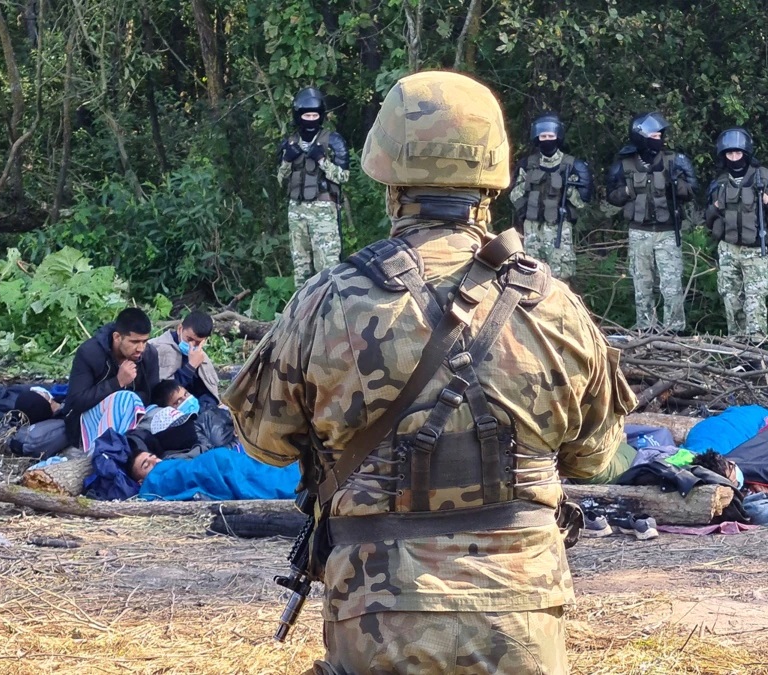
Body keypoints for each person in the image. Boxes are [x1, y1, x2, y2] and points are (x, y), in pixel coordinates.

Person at [225, 70, 635, 674]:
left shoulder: (329, 300)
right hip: (520, 614)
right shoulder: (553, 304)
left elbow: (264, 442)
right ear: (492, 183)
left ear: (390, 184)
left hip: (376, 613)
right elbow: (596, 460)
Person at [606, 112, 698, 332]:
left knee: (672, 286)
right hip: (639, 232)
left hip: (668, 233)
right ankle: (645, 331)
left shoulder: (675, 161)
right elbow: (612, 197)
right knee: (642, 285)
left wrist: (676, 184)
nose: (659, 139)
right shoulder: (625, 164)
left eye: (660, 135)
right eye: (654, 135)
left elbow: (693, 191)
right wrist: (629, 190)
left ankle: (674, 333)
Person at [703, 128, 768, 340]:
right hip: (728, 250)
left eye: (738, 153)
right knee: (731, 299)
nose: (734, 158)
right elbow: (707, 218)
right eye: (729, 154)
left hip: (755, 251)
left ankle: (756, 349)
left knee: (755, 300)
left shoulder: (766, 179)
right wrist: (715, 206)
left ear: (746, 153)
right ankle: (737, 348)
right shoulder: (721, 183)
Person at [277, 87, 351, 288]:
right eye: (306, 115)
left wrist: (322, 160)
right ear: (298, 115)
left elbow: (344, 176)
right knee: (301, 269)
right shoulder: (290, 143)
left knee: (328, 268)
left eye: (314, 115)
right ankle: (302, 315)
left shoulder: (333, 141)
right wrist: (286, 160)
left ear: (321, 116)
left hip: (324, 211)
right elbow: (279, 180)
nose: (310, 119)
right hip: (296, 211)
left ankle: (330, 313)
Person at [509, 113, 592, 280]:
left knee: (560, 279)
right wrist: (527, 184)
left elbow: (582, 202)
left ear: (558, 137)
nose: (547, 139)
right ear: (537, 138)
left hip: (559, 230)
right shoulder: (527, 164)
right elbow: (513, 197)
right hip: (531, 230)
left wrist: (567, 188)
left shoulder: (572, 165)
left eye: (551, 136)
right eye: (543, 136)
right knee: (530, 276)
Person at [63, 308, 161, 448]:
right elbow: (75, 402)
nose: (141, 348)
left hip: (137, 416)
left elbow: (153, 395)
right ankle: (110, 452)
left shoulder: (149, 353)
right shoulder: (90, 352)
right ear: (117, 337)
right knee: (125, 398)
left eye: (144, 341)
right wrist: (117, 382)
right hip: (89, 423)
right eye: (134, 342)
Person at [149, 311, 220, 409]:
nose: (192, 345)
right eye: (189, 339)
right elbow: (160, 393)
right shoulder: (156, 348)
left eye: (198, 342)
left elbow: (207, 392)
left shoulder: (201, 356)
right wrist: (190, 367)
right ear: (180, 329)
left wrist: (204, 408)